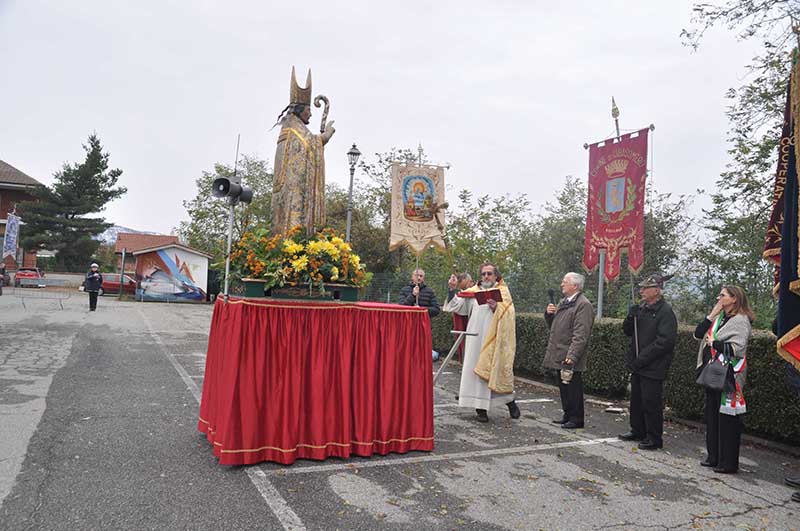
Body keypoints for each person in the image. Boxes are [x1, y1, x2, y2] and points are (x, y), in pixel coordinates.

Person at [443, 263, 519, 422]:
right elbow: (455, 307)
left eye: (489, 274)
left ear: (496, 276)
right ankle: (480, 409)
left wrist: (495, 308)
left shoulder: (503, 292)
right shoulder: (472, 292)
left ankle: (510, 402)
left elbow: (509, 315)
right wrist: (451, 289)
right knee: (476, 373)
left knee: (495, 371)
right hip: (475, 338)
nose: (486, 277)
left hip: (494, 341)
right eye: (483, 274)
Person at [694, 285, 754, 474]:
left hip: (730, 374)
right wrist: (712, 314)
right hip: (712, 372)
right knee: (712, 415)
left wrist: (716, 344)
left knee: (727, 418)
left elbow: (738, 348)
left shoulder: (740, 320)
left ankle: (727, 462)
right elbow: (698, 334)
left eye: (723, 295)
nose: (719, 297)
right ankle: (713, 456)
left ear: (734, 299)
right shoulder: (719, 318)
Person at [271, 67, 336, 236]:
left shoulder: (291, 127)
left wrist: (319, 140)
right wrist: (326, 135)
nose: (311, 115)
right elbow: (309, 144)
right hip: (294, 191)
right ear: (300, 109)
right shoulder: (294, 129)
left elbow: (309, 144)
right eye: (309, 111)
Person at [619, 273, 678, 450]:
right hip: (638, 364)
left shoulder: (666, 312)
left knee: (651, 403)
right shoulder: (642, 308)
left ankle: (654, 437)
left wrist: (642, 358)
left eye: (646, 288)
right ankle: (638, 430)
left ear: (657, 291)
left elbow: (664, 342)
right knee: (636, 400)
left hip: (653, 365)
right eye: (641, 287)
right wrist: (630, 317)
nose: (641, 291)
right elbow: (628, 332)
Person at [543, 272, 594, 429]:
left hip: (569, 354)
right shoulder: (564, 302)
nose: (561, 284)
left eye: (565, 282)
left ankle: (576, 418)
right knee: (564, 387)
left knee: (573, 388)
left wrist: (572, 355)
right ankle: (567, 415)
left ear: (575, 286)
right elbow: (555, 326)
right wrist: (549, 315)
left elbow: (581, 334)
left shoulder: (583, 305)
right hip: (559, 351)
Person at [447, 272, 475, 362]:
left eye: (462, 281)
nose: (460, 284)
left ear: (471, 282)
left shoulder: (479, 292)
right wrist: (451, 288)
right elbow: (454, 304)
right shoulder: (462, 295)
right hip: (465, 326)